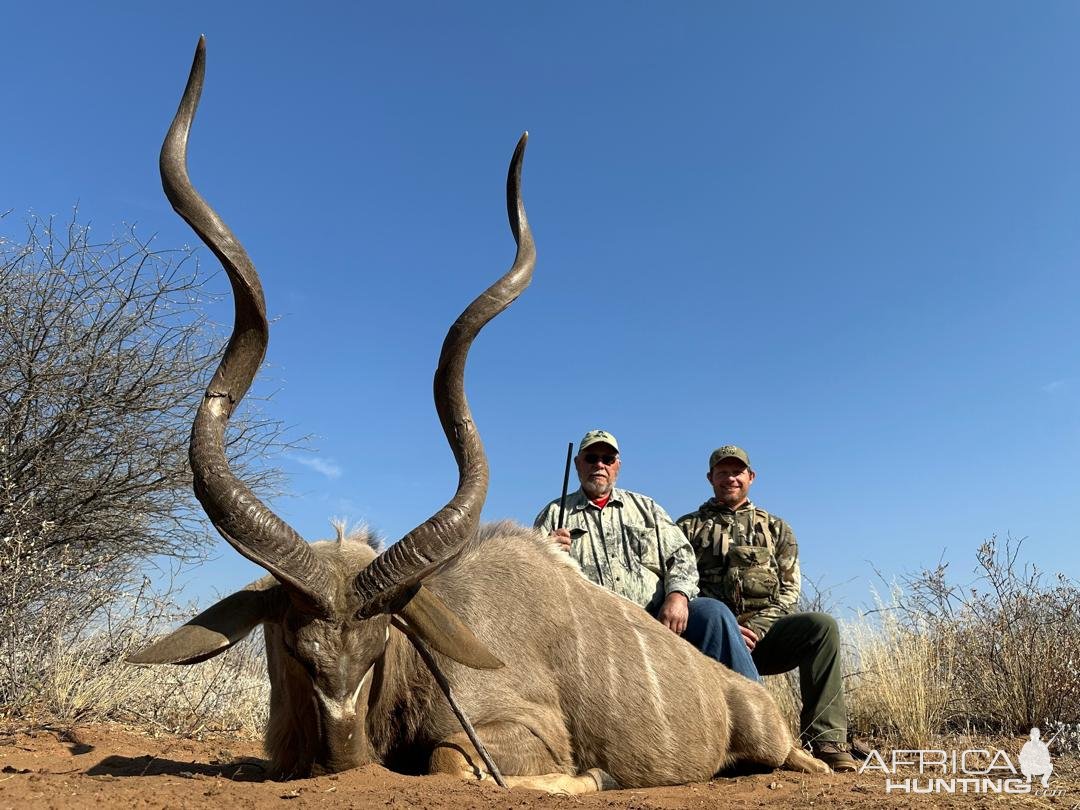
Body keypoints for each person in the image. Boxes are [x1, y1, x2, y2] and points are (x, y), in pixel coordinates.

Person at [675, 445, 859, 772]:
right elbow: (680, 582)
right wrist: (728, 629)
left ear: (751, 477)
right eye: (722, 472)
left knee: (822, 626)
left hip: (763, 640)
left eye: (737, 472)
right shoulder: (686, 528)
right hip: (711, 647)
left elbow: (789, 591)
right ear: (710, 478)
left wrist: (757, 628)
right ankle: (757, 740)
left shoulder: (777, 529)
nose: (730, 478)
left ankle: (828, 741)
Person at [534, 430, 758, 681]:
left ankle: (760, 714)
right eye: (591, 458)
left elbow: (682, 556)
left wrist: (678, 596)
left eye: (607, 459)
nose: (599, 465)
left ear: (617, 466)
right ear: (577, 464)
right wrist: (544, 552)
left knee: (713, 614)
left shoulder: (646, 508)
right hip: (596, 632)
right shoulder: (554, 514)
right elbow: (534, 587)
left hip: (658, 622)